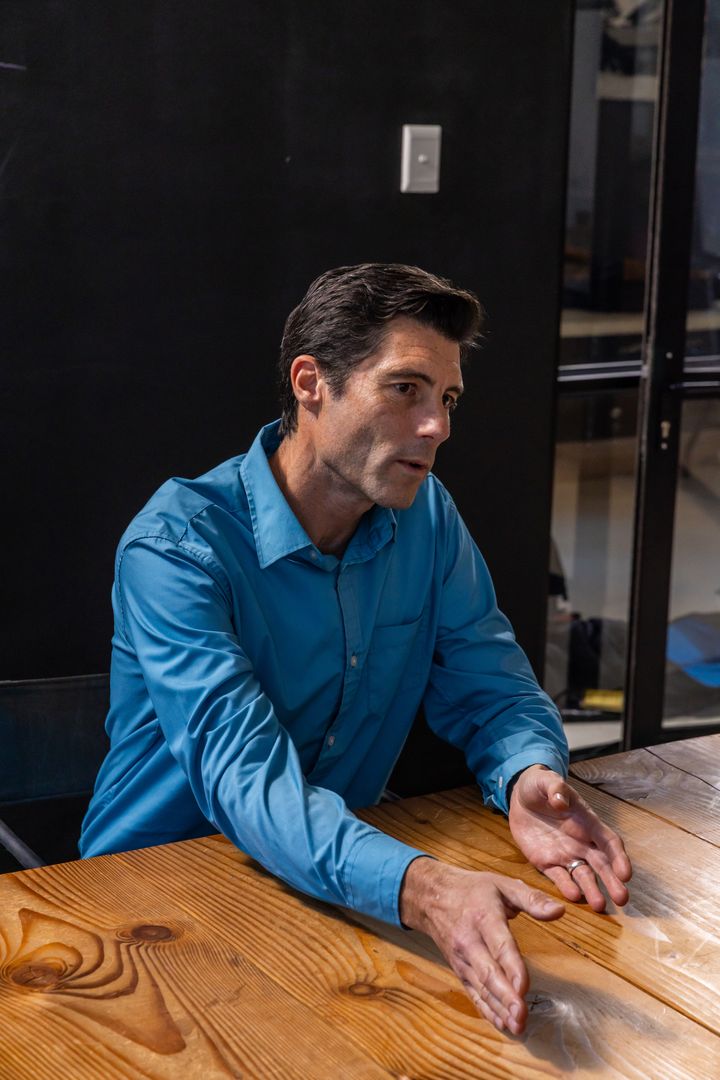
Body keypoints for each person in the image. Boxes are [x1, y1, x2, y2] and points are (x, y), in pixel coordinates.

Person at [80, 263, 631, 1036]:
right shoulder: (176, 548)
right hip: (147, 912)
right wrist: (421, 886)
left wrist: (526, 771)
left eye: (447, 399)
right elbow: (248, 782)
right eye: (405, 388)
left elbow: (490, 681)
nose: (436, 425)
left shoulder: (427, 516)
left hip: (331, 890)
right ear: (312, 384)